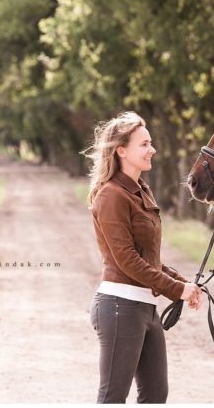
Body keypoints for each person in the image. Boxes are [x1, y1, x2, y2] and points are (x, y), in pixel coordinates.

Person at [83, 111, 201, 404]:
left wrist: (184, 284)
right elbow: (127, 260)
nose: (153, 149)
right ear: (121, 150)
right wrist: (176, 289)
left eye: (151, 143)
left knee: (155, 394)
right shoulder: (111, 195)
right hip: (120, 306)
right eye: (144, 144)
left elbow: (148, 258)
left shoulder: (141, 191)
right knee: (112, 396)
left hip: (145, 308)